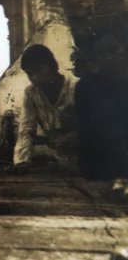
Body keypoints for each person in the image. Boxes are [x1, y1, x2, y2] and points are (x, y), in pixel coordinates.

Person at [75, 27, 128, 198]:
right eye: (101, 53)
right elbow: (88, 136)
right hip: (102, 166)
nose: (108, 58)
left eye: (113, 50)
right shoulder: (86, 87)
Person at [13, 44, 78, 172]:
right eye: (29, 74)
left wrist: (69, 137)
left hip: (91, 160)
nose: (34, 78)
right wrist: (22, 161)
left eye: (38, 70)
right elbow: (26, 129)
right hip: (63, 163)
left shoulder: (77, 88)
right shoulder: (31, 93)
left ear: (53, 67)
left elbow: (94, 127)